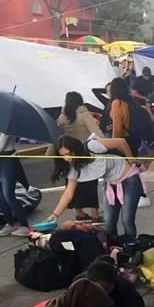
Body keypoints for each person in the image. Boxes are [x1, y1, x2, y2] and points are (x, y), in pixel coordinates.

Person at [49, 135, 140, 238]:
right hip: (111, 184)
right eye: (63, 156)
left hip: (129, 178)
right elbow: (68, 193)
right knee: (109, 222)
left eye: (68, 153)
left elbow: (121, 142)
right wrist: (55, 215)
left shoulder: (92, 146)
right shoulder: (74, 167)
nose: (67, 158)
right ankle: (113, 247)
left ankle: (132, 246)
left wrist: (131, 159)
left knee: (127, 220)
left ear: (76, 149)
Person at [56, 91, 103, 221]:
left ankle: (79, 213)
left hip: (69, 153)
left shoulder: (62, 118)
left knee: (72, 182)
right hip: (85, 152)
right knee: (90, 182)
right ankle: (95, 213)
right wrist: (104, 144)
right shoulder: (84, 115)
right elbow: (96, 132)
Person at [74, 256, 147, 307]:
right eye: (97, 289)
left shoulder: (124, 288)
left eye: (106, 289)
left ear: (113, 283)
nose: (102, 293)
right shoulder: (78, 285)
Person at [0, 130, 30, 237]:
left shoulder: (7, 125)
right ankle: (9, 223)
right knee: (0, 195)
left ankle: (25, 225)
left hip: (7, 159)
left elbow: (1, 144)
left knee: (8, 194)